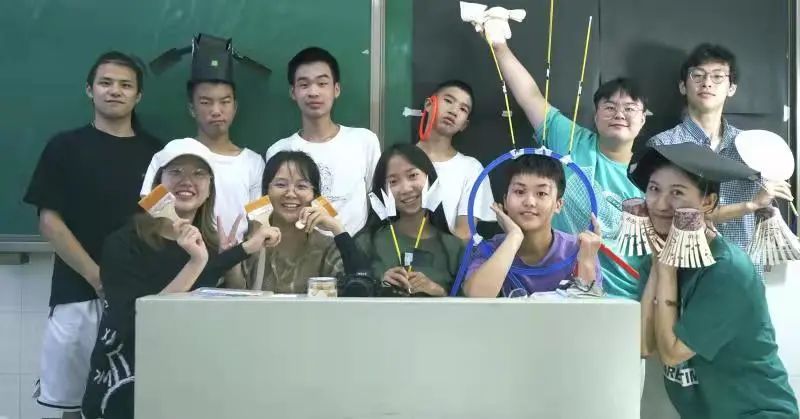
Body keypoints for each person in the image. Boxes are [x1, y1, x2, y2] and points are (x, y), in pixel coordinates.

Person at [81, 138, 280, 419]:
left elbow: (216, 283)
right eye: (175, 172)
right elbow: (143, 317)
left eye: (199, 173)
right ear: (157, 185)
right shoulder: (124, 243)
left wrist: (244, 249)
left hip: (187, 379)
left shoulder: (206, 245)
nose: (187, 181)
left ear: (210, 189)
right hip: (128, 381)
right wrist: (196, 262)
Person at [23, 51, 161, 418]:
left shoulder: (158, 155)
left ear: (138, 96)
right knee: (73, 403)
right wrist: (97, 277)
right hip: (78, 292)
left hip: (140, 299)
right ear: (90, 89)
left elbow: (163, 223)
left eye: (125, 85)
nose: (115, 91)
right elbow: (49, 221)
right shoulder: (64, 147)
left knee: (134, 401)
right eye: (106, 83)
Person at [480, 20, 647, 299]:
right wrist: (499, 45)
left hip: (629, 295)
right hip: (564, 290)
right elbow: (530, 96)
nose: (619, 114)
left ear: (643, 119)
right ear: (596, 116)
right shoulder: (572, 141)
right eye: (609, 107)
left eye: (630, 108)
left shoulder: (651, 175)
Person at [633, 143, 798, 418]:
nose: (660, 205)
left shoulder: (728, 269)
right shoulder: (655, 261)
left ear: (707, 203)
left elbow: (672, 353)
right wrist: (659, 266)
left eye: (677, 192)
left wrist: (666, 271)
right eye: (654, 189)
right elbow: (643, 346)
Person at [647, 43, 793, 266]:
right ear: (683, 86)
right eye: (698, 75)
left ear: (731, 88)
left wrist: (768, 201)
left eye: (718, 77)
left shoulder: (755, 146)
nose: (707, 83)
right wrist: (749, 205)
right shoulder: (664, 145)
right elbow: (662, 217)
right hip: (685, 271)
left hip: (744, 270)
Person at [142, 36, 265, 241]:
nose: (216, 111)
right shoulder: (169, 156)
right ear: (192, 108)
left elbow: (258, 222)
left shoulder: (254, 163)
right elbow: (151, 208)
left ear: (235, 107)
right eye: (206, 102)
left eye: (225, 102)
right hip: (179, 253)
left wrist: (240, 254)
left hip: (236, 256)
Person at [266, 46, 381, 235]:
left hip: (355, 249)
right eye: (304, 85)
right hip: (301, 249)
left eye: (322, 83)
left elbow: (379, 202)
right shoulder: (279, 151)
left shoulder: (364, 141)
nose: (313, 92)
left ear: (336, 89)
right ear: (293, 92)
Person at [225, 151, 369, 293]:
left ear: (315, 196)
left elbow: (360, 289)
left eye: (301, 186)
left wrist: (337, 228)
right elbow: (234, 298)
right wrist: (231, 260)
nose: (290, 193)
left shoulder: (327, 249)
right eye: (281, 185)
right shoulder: (252, 244)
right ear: (266, 192)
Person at [463, 154, 603, 297]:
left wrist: (586, 261)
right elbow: (476, 298)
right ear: (505, 201)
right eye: (519, 191)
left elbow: (589, 308)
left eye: (541, 193)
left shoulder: (578, 249)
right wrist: (514, 237)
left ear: (558, 204)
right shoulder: (489, 249)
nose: (529, 202)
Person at [356, 144, 463, 297]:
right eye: (393, 182)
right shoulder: (366, 243)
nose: (405, 189)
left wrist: (439, 293)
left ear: (430, 178)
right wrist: (379, 289)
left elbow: (469, 307)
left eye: (412, 175)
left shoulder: (455, 248)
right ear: (382, 191)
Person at [415, 79, 495, 241]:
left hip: (446, 256)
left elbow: (465, 234)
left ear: (464, 124)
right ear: (429, 104)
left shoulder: (471, 169)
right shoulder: (398, 160)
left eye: (463, 109)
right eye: (448, 101)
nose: (453, 111)